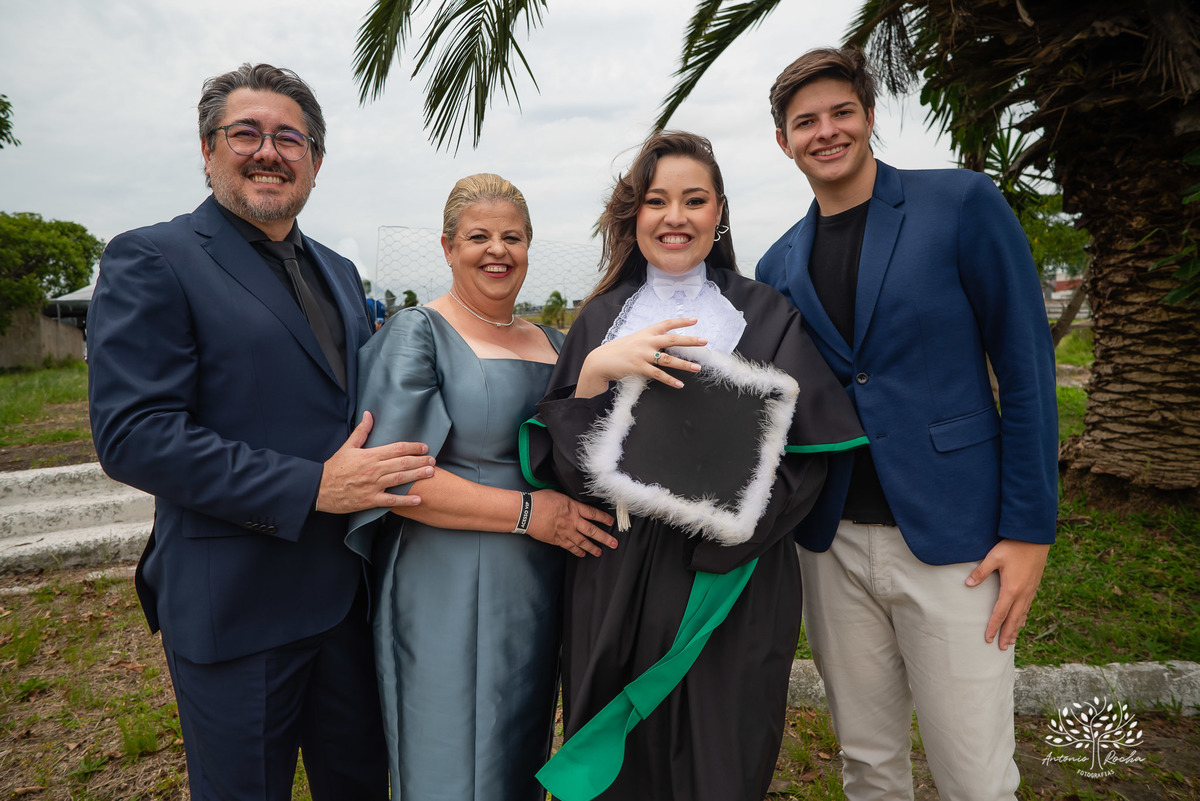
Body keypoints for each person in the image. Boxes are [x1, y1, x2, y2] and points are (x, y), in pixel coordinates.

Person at [87, 63, 435, 801]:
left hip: (347, 602)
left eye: (290, 137)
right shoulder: (154, 258)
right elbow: (134, 433)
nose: (269, 151)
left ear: (315, 160)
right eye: (246, 133)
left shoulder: (339, 272)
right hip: (236, 605)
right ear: (208, 149)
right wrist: (314, 485)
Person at [525, 131, 866, 801]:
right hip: (615, 574)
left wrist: (725, 529)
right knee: (624, 763)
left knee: (723, 751)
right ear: (634, 214)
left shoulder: (767, 316)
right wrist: (594, 373)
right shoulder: (599, 320)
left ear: (720, 214)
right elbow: (565, 462)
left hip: (732, 578)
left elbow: (806, 459)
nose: (674, 216)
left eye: (694, 200)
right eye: (656, 200)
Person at [756, 47, 1059, 800]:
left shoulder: (960, 204)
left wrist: (1029, 531)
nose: (825, 132)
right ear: (783, 141)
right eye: (805, 122)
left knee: (975, 775)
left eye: (841, 113)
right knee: (868, 766)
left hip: (958, 541)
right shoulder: (776, 264)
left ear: (867, 117)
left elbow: (1026, 371)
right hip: (830, 548)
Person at [346, 173, 616, 800]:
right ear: (447, 247)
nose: (497, 250)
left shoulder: (553, 342)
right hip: (444, 575)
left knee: (516, 747)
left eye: (512, 238)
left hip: (540, 579)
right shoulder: (418, 333)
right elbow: (397, 477)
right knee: (451, 755)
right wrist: (530, 513)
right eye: (478, 237)